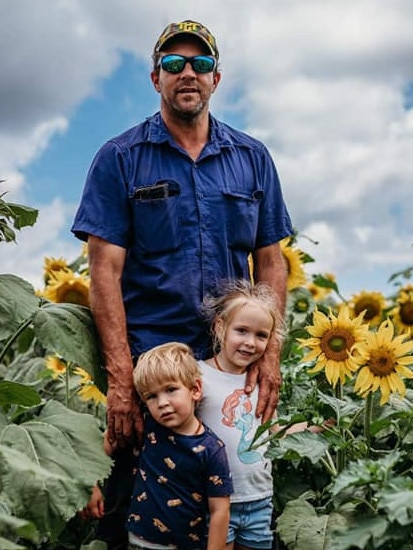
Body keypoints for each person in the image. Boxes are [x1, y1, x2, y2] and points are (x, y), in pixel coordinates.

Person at [71, 18, 293, 549]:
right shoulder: (121, 158)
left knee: (231, 503)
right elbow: (105, 272)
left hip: (228, 362)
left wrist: (270, 354)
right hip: (153, 368)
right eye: (173, 64)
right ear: (155, 78)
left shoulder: (252, 158)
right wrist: (122, 380)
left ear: (217, 77)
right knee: (140, 506)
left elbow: (271, 262)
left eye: (200, 63)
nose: (187, 73)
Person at [197, 279, 283, 550]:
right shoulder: (198, 376)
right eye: (242, 331)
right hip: (214, 501)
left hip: (259, 498)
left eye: (261, 335)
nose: (250, 343)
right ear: (220, 327)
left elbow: (275, 429)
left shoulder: (261, 383)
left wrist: (317, 427)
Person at [126, 342, 233, 549]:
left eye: (171, 390)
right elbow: (107, 442)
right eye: (151, 396)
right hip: (138, 541)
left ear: (195, 389)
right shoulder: (149, 426)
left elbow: (220, 510)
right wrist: (93, 487)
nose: (162, 402)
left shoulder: (212, 449)